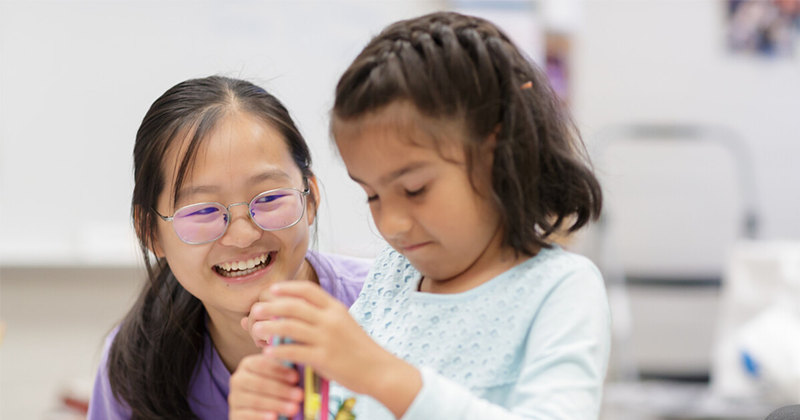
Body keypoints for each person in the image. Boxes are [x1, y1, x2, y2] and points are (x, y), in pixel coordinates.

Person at [230, 11, 610, 420]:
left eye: (415, 190)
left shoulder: (560, 289)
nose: (392, 224)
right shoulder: (393, 277)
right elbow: (350, 408)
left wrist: (381, 373)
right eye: (373, 195)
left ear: (497, 153)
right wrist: (288, 395)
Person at [86, 76, 371, 420]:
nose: (242, 235)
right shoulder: (136, 363)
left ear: (310, 199)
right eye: (203, 211)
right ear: (150, 232)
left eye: (269, 198)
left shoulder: (386, 308)